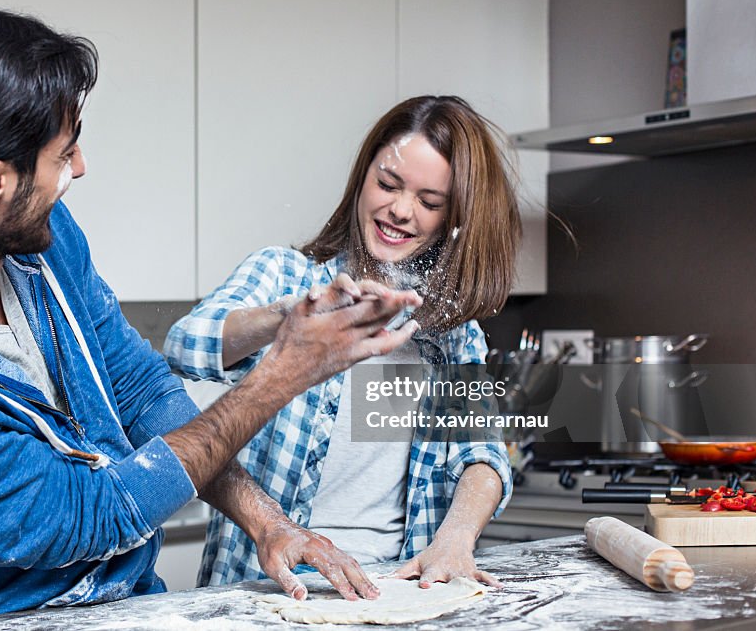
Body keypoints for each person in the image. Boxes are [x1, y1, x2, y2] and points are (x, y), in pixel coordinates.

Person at [0, 4, 424, 626]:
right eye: (64, 155)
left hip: (129, 608)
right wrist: (281, 376)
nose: (81, 168)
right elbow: (94, 515)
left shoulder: (34, 238)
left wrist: (268, 523)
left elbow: (135, 387)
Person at [164, 95, 520, 591]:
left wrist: (456, 538)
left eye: (429, 202)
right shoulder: (284, 274)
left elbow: (482, 454)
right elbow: (186, 345)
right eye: (387, 184)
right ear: (362, 178)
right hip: (269, 590)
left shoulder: (450, 332)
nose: (399, 210)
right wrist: (292, 315)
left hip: (395, 587)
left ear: (455, 217)